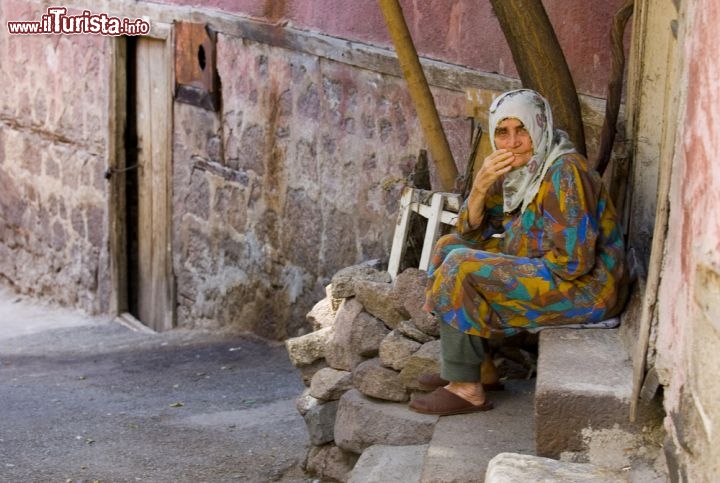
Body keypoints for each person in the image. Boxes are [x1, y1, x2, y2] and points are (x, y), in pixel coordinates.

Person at [409, 89, 629, 416]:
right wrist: (481, 187)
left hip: (589, 289)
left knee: (463, 266)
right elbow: (469, 232)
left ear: (540, 128)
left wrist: (507, 274)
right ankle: (478, 368)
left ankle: (466, 390)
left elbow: (574, 261)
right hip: (553, 271)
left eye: (522, 130)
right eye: (503, 132)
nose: (512, 143)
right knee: (449, 248)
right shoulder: (518, 172)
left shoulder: (565, 172)